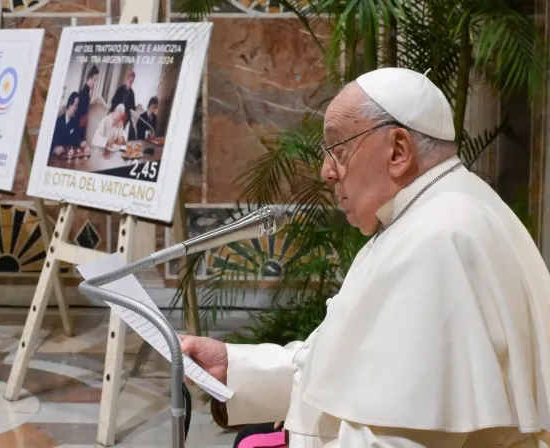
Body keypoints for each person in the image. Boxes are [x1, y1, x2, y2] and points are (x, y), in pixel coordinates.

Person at [180, 67, 550, 447]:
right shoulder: (433, 211)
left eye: (338, 151)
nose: (327, 172)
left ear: (398, 151)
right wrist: (233, 367)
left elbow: (399, 437)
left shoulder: (439, 240)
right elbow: (338, 365)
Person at [51, 92, 87, 156]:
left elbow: (75, 138)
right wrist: (54, 149)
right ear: (70, 105)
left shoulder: (75, 122)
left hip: (68, 156)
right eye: (75, 106)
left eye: (77, 106)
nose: (76, 109)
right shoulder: (57, 121)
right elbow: (49, 142)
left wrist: (81, 142)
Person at [74, 65, 100, 142]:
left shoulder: (86, 91)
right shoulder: (84, 93)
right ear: (90, 77)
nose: (95, 83)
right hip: (78, 132)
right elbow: (81, 117)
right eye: (94, 80)